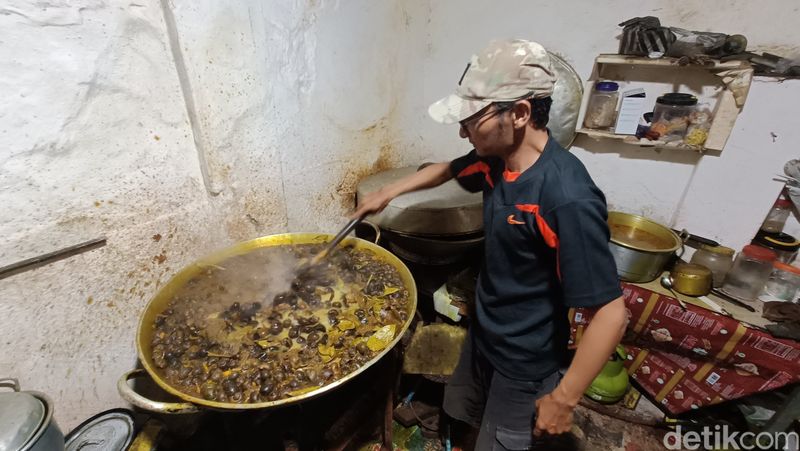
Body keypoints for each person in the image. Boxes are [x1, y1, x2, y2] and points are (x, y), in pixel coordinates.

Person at [353, 39, 627, 450]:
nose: (462, 130)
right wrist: (386, 193)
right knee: (466, 414)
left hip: (525, 360)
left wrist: (565, 398)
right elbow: (446, 170)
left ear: (519, 113)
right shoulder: (497, 158)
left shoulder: (565, 197)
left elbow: (612, 314)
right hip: (484, 333)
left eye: (472, 119)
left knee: (504, 440)